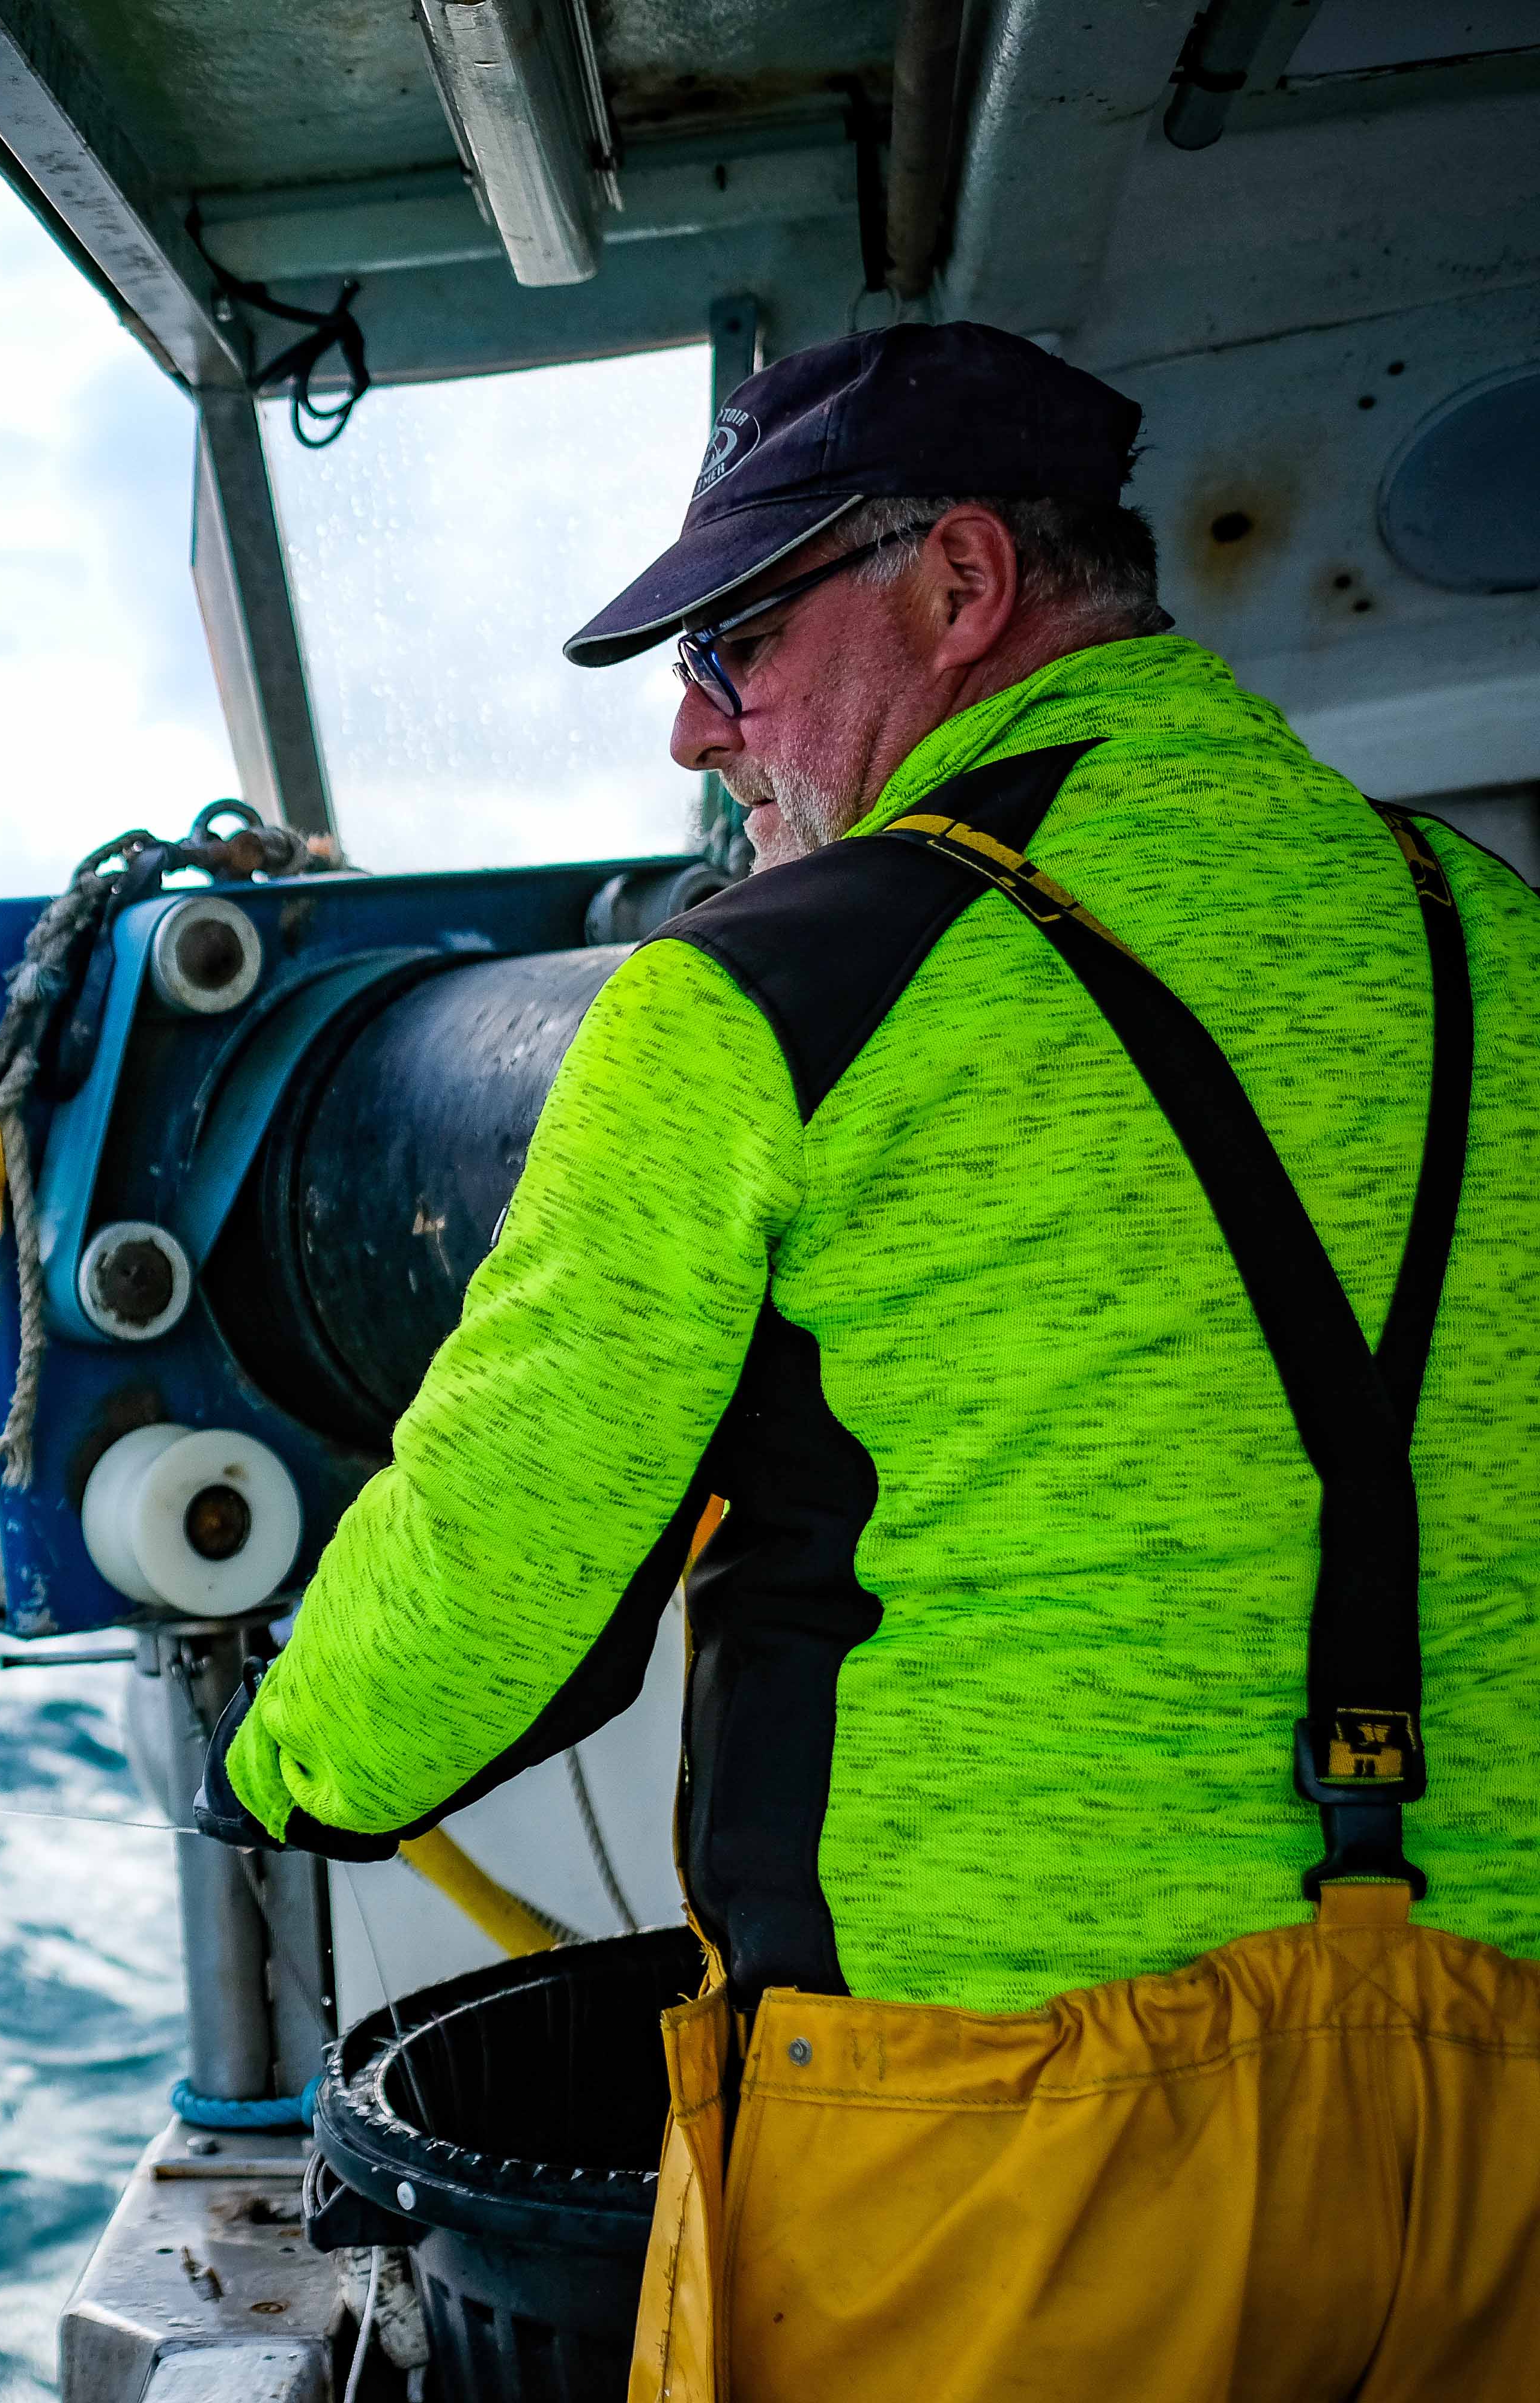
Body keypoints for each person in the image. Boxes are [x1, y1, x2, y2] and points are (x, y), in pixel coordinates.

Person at [195, 322, 1540, 2398]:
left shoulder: (761, 999)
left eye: (731, 643)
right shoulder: (1489, 930)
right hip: (1504, 2094)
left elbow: (478, 1630)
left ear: (961, 584)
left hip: (1009, 2150)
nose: (691, 733)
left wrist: (276, 1758)